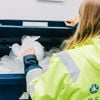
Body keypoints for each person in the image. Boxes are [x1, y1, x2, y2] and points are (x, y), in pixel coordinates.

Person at [22, 0, 100, 99]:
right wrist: (79, 26)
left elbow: (39, 95)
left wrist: (31, 64)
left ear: (84, 21)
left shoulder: (68, 61)